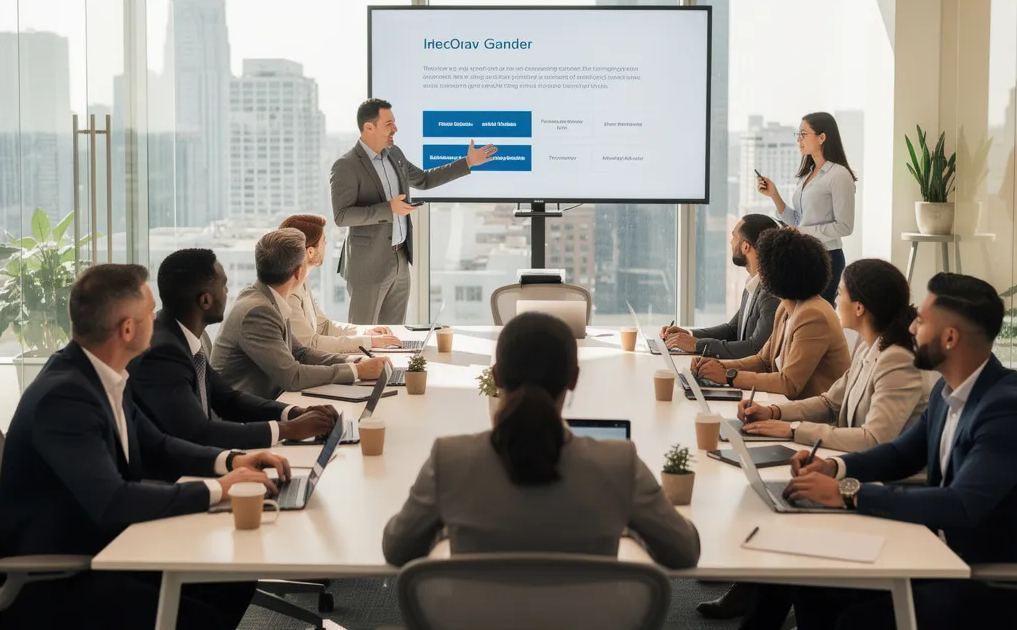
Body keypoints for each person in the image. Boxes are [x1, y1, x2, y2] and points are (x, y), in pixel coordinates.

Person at [0, 264, 291, 630]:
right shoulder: (64, 397)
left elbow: (158, 446)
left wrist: (233, 459)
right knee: (201, 612)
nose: (158, 318)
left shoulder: (105, 374)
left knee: (234, 577)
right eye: (150, 313)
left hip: (105, 545)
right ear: (127, 329)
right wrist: (219, 489)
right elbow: (113, 499)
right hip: (57, 576)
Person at [773, 273, 1017, 630]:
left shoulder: (1008, 412)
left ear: (950, 337)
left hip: (998, 581)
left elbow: (961, 504)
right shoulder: (948, 392)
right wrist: (833, 467)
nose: (911, 327)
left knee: (858, 621)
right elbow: (901, 454)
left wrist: (847, 493)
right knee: (814, 580)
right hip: (942, 554)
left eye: (922, 320)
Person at [696, 258, 934, 622]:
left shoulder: (897, 359)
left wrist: (792, 431)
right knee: (781, 516)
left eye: (840, 293)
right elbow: (829, 401)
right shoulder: (872, 347)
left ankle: (758, 611)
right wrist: (774, 414)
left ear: (860, 307)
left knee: (786, 525)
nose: (834, 298)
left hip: (882, 485)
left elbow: (875, 439)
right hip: (853, 469)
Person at [381, 312, 701, 569]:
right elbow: (684, 553)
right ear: (574, 379)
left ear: (495, 376)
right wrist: (622, 515)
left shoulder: (449, 459)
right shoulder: (619, 464)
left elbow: (397, 550)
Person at [129, 248, 342, 449]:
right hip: (180, 476)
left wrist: (293, 413)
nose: (227, 291)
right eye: (223, 285)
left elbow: (228, 399)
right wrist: (287, 430)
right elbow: (198, 432)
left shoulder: (188, 336)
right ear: (205, 300)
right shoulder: (163, 354)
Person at [331, 97, 498, 325]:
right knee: (365, 335)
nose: (395, 129)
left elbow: (425, 180)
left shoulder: (395, 154)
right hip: (367, 265)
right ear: (369, 127)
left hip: (400, 258)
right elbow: (342, 216)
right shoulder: (347, 165)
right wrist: (388, 209)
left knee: (394, 335)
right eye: (389, 124)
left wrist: (467, 162)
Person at [213, 229, 387, 399]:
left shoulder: (268, 298)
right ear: (299, 272)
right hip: (243, 415)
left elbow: (301, 352)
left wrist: (353, 361)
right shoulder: (258, 312)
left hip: (268, 401)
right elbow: (292, 377)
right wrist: (357, 371)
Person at [692, 228, 851, 399]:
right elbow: (763, 361)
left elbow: (789, 383)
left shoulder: (813, 315)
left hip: (810, 419)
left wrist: (729, 376)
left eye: (763, 266)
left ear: (776, 273)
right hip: (785, 407)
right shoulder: (785, 308)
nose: (759, 271)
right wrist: (719, 366)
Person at [754, 111, 857, 306]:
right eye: (798, 134)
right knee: (800, 314)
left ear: (822, 137)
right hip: (805, 256)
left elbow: (845, 226)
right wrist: (774, 195)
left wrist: (801, 232)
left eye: (803, 134)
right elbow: (797, 220)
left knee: (816, 316)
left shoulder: (839, 175)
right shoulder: (807, 174)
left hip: (827, 258)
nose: (799, 139)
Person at [660, 214, 781, 358]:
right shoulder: (752, 283)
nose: (731, 242)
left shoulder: (770, 292)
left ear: (745, 246)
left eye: (734, 236)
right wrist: (688, 334)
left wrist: (696, 345)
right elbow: (732, 330)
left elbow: (756, 348)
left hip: (746, 376)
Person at [278, 213, 402, 353]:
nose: (325, 244)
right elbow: (310, 344)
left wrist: (366, 332)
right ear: (310, 252)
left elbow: (324, 326)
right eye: (323, 241)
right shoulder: (288, 289)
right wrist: (369, 342)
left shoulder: (302, 280)